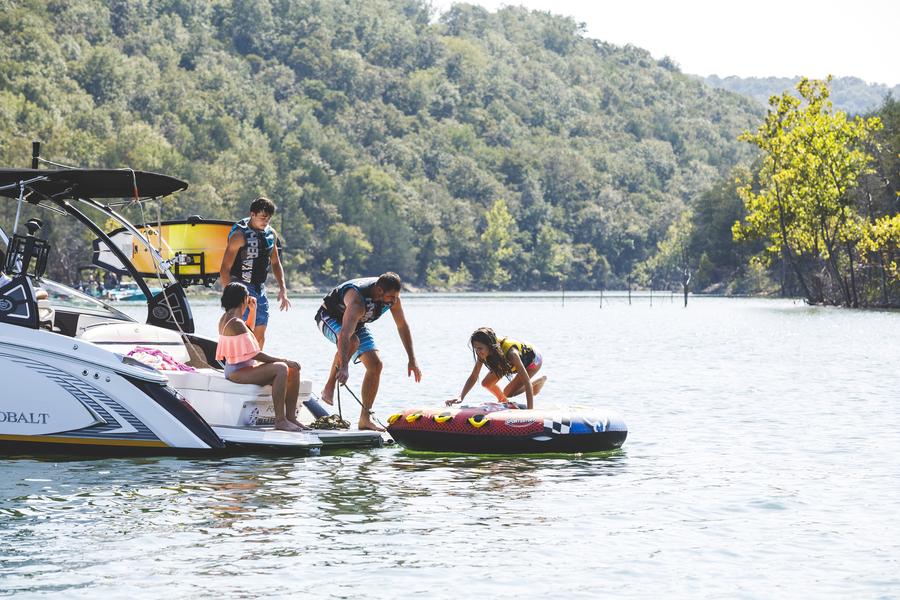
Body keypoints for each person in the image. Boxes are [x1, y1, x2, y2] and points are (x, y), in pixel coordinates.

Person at [315, 272, 422, 431]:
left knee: (376, 365)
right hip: (329, 317)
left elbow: (402, 326)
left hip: (356, 323)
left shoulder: (392, 299)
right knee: (352, 341)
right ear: (379, 291)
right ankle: (329, 386)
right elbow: (345, 334)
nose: (394, 301)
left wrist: (412, 359)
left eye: (396, 297)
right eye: (391, 297)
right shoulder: (357, 299)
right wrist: (344, 366)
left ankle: (365, 419)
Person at [216, 282, 307, 432]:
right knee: (281, 367)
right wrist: (284, 360)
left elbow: (247, 332)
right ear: (244, 299)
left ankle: (291, 418)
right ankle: (280, 420)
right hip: (236, 372)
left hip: (241, 368)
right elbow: (255, 354)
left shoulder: (229, 318)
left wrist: (253, 310)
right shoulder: (235, 322)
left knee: (293, 370)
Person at [219, 197, 290, 349]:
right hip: (240, 286)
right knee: (243, 331)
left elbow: (276, 263)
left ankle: (256, 366)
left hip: (260, 288)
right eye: (262, 218)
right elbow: (225, 268)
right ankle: (237, 363)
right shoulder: (239, 236)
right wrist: (229, 294)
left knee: (260, 332)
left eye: (268, 218)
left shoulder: (271, 234)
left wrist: (283, 289)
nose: (265, 222)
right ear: (252, 214)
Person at [446, 327, 547, 410]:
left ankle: (539, 380)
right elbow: (473, 376)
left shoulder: (512, 354)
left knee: (508, 392)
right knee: (486, 383)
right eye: (475, 348)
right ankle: (503, 401)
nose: (477, 352)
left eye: (480, 348)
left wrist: (530, 412)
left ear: (490, 346)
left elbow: (526, 382)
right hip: (506, 362)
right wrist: (461, 397)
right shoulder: (482, 352)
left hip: (533, 361)